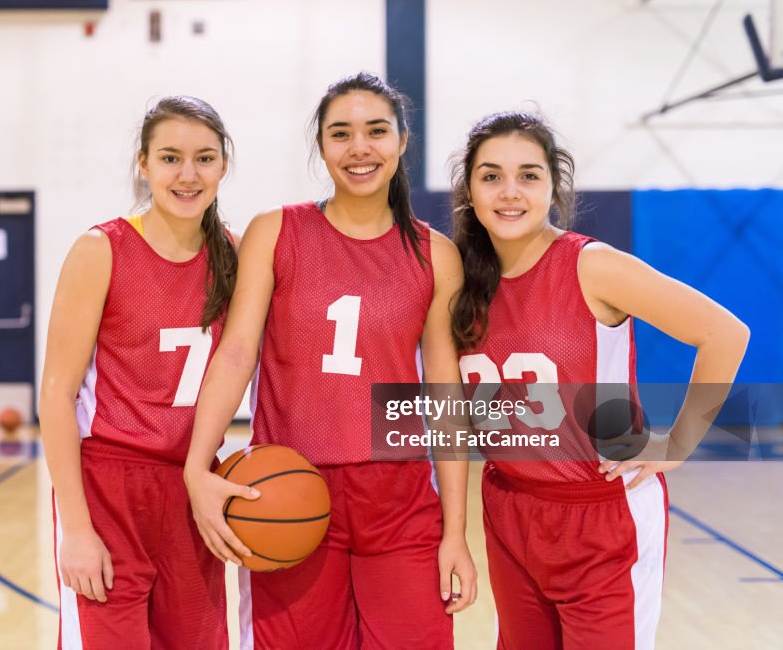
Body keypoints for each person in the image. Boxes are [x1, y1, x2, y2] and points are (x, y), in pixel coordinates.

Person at [184, 72, 477, 650]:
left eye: (376, 132)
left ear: (401, 141)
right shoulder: (277, 231)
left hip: (400, 499)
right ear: (321, 146)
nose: (359, 148)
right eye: (340, 134)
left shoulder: (435, 254)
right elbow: (237, 352)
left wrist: (457, 532)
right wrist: (198, 465)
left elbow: (445, 398)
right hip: (290, 489)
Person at [449, 111, 750, 650]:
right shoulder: (462, 278)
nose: (509, 191)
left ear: (554, 187)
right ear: (469, 191)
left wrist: (676, 445)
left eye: (529, 175)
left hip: (603, 514)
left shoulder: (592, 266)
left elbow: (725, 333)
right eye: (491, 176)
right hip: (509, 506)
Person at [39, 96, 237, 649]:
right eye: (170, 158)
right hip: (109, 485)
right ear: (143, 164)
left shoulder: (237, 258)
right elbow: (56, 395)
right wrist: (75, 529)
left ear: (224, 166)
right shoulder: (101, 249)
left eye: (204, 158)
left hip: (193, 484)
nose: (187, 174)